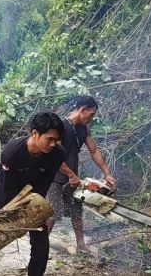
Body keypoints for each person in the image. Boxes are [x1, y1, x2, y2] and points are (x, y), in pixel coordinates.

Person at [0, 112, 66, 276]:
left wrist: (35, 209)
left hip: (34, 194)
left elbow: (44, 184)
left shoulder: (57, 154)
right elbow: (9, 190)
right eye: (49, 139)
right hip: (5, 191)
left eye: (56, 140)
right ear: (34, 133)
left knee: (41, 239)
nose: (53, 144)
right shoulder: (12, 152)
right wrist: (14, 216)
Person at [46, 95, 116, 253]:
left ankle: (81, 245)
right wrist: (70, 175)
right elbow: (54, 156)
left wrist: (107, 174)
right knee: (53, 214)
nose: (91, 118)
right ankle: (40, 246)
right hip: (56, 178)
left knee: (77, 212)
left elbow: (94, 151)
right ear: (83, 110)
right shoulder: (61, 127)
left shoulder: (84, 129)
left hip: (73, 178)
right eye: (91, 114)